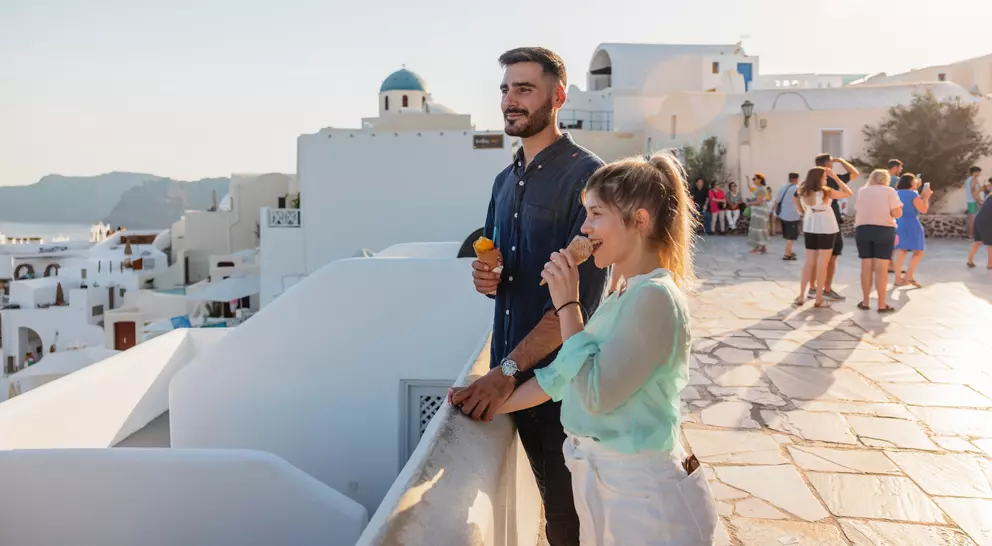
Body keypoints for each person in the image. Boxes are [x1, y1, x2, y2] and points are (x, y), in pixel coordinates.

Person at [493, 152, 718, 545]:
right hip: (605, 487)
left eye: (595, 214)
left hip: (644, 495)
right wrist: (488, 400)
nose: (583, 227)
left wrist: (567, 305)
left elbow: (596, 395)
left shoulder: (656, 298)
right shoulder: (621, 294)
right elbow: (559, 378)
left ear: (640, 221)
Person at [449, 47, 609, 545]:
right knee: (553, 510)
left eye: (524, 89)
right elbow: (502, 266)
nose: (509, 100)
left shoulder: (589, 178)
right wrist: (486, 275)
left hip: (558, 383)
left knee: (570, 517)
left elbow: (575, 302)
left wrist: (506, 374)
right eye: (504, 89)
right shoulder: (503, 180)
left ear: (557, 96)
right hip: (514, 374)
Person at [794, 167, 853, 308]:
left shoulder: (803, 190)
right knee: (823, 263)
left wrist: (804, 212)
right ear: (819, 177)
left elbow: (796, 202)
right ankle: (819, 298)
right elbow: (848, 193)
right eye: (825, 176)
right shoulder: (826, 191)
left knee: (809, 262)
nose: (826, 178)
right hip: (826, 225)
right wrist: (837, 178)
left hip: (810, 225)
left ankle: (802, 295)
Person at [808, 154, 860, 301]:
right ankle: (826, 288)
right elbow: (855, 174)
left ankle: (812, 288)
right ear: (828, 164)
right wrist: (841, 161)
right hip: (832, 221)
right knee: (832, 256)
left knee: (815, 256)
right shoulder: (830, 179)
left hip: (814, 222)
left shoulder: (810, 182)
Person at [853, 170, 903, 312]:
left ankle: (865, 301)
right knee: (881, 267)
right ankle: (881, 304)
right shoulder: (890, 191)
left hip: (863, 229)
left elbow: (859, 209)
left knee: (866, 265)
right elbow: (897, 213)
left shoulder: (862, 191)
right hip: (884, 229)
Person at [893, 173, 932, 287]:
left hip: (897, 222)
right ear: (911, 183)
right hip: (911, 223)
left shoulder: (895, 193)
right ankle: (908, 276)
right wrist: (926, 197)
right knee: (918, 251)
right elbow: (923, 209)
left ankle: (898, 278)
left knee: (900, 250)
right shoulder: (912, 194)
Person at [774, 172, 801, 260]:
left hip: (783, 214)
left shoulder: (783, 187)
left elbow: (777, 200)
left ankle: (789, 251)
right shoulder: (796, 188)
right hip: (792, 215)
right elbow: (799, 201)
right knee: (791, 236)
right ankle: (787, 254)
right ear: (796, 179)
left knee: (787, 235)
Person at [746, 173, 772, 253]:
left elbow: (758, 202)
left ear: (759, 180)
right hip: (760, 211)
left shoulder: (760, 189)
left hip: (759, 212)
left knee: (757, 228)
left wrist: (749, 203)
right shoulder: (759, 188)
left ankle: (756, 247)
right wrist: (747, 180)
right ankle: (763, 246)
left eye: (755, 179)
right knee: (761, 228)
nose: (753, 180)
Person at [967, 194, 992, 269]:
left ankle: (970, 261)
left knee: (978, 241)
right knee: (991, 244)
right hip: (987, 221)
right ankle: (990, 264)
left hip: (978, 220)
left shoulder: (989, 197)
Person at [966, 166, 983, 237]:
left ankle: (971, 234)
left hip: (972, 201)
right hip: (973, 201)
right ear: (975, 172)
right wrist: (978, 201)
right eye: (978, 172)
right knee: (972, 219)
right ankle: (970, 234)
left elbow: (978, 190)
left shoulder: (971, 179)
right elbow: (973, 192)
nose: (979, 174)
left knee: (972, 218)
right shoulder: (972, 180)